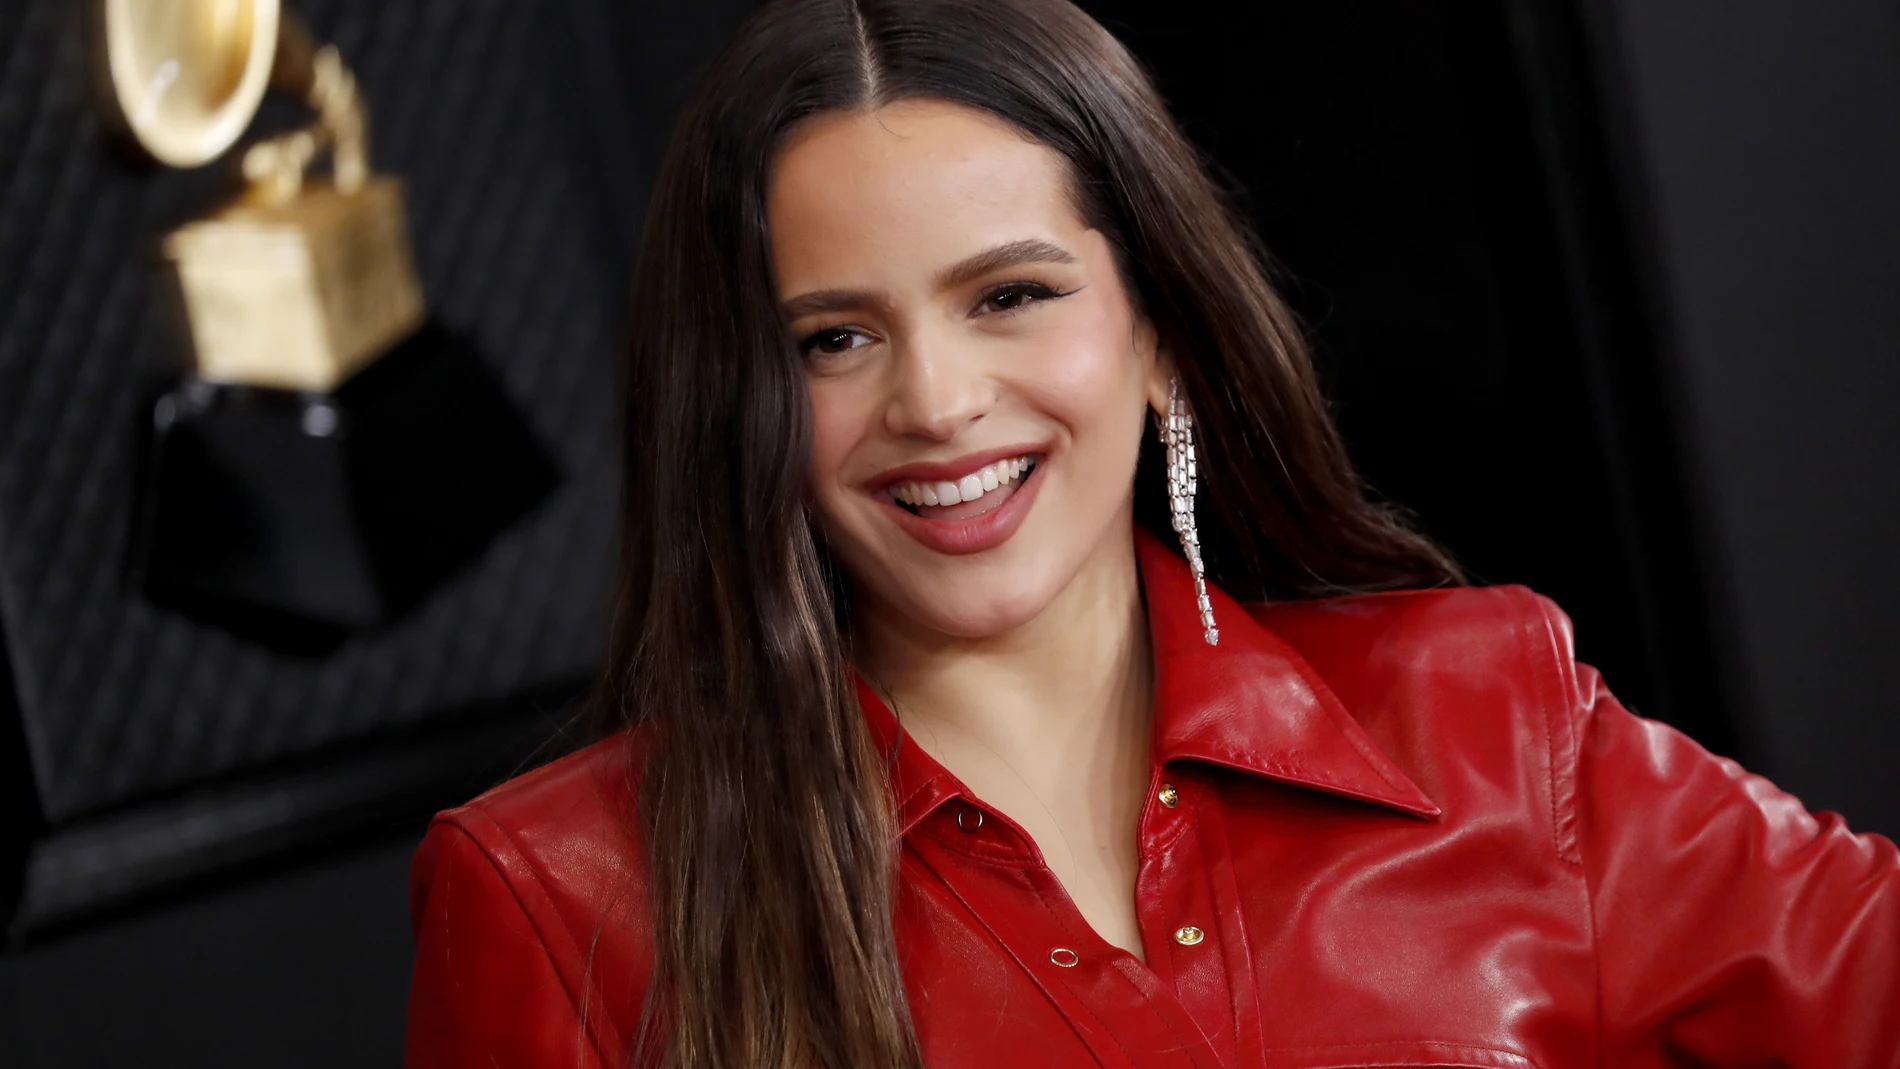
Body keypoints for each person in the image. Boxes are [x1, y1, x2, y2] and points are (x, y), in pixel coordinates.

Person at [403, 1, 1900, 1066]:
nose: (937, 401)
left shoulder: (1489, 712)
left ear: (1162, 333)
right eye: (832, 340)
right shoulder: (561, 896)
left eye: (1011, 296)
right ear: (733, 402)